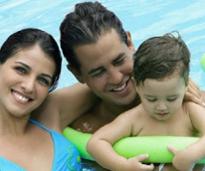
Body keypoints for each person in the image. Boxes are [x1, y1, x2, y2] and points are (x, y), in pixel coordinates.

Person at [59, 1, 205, 170]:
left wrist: (192, 154)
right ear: (77, 73)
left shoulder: (190, 105)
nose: (116, 78)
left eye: (119, 60)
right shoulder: (127, 120)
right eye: (98, 72)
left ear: (129, 42)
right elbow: (95, 144)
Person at [87, 33, 205, 171]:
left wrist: (192, 155)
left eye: (172, 98)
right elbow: (96, 143)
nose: (161, 107)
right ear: (137, 86)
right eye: (151, 99)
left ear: (186, 86)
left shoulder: (189, 111)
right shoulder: (134, 119)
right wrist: (124, 166)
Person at [0, 28, 84, 171]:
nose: (29, 86)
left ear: (50, 88)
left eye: (43, 80)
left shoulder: (63, 150)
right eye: (21, 70)